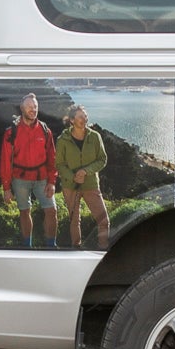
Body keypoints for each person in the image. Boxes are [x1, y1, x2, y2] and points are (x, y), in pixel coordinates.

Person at [0, 92, 56, 248]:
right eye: (30, 107)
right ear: (22, 109)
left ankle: (51, 246)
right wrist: (6, 188)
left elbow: (52, 158)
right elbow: (5, 161)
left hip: (42, 178)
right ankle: (27, 246)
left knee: (51, 211)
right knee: (24, 212)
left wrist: (52, 181)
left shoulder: (45, 130)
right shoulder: (12, 132)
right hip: (20, 179)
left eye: (35, 106)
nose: (33, 109)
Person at [54, 103, 109, 251]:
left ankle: (102, 249)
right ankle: (75, 249)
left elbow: (102, 159)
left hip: (91, 184)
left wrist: (86, 171)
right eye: (80, 117)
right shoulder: (62, 140)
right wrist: (73, 177)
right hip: (70, 186)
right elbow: (59, 164)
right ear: (72, 120)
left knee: (103, 220)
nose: (84, 119)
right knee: (74, 221)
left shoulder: (95, 136)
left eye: (85, 116)